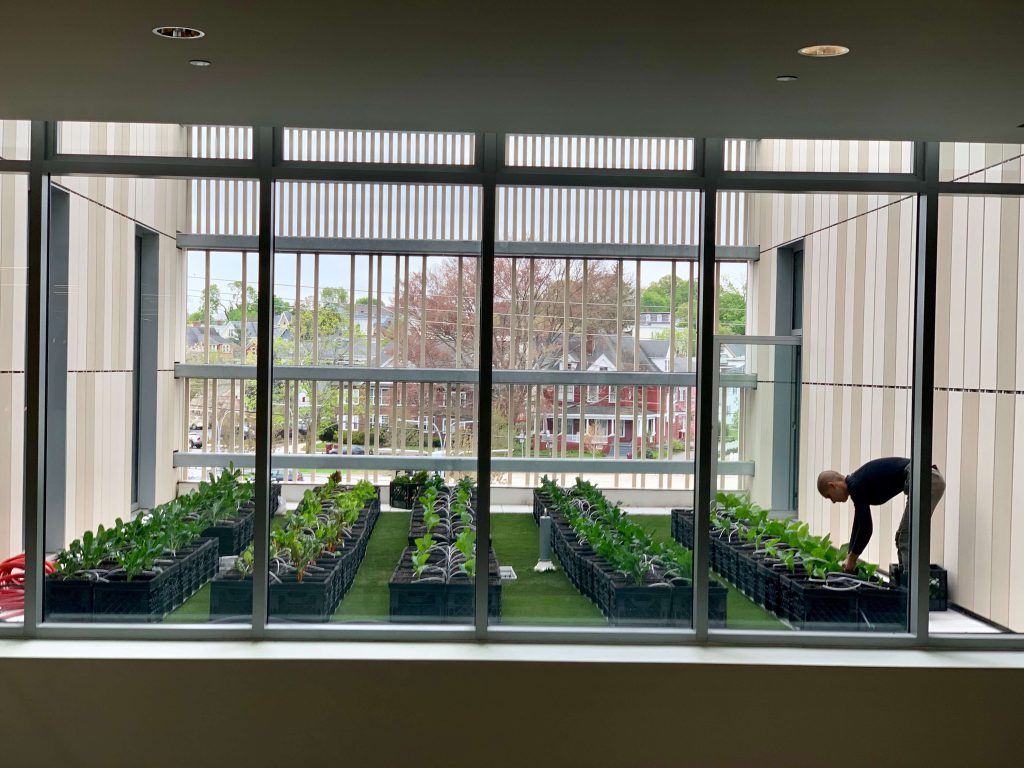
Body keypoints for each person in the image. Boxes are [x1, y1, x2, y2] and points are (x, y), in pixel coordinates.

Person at [816, 457, 945, 574]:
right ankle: (907, 583)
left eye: (829, 496)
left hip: (927, 479)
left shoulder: (856, 485)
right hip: (923, 478)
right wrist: (850, 555)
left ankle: (912, 591)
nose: (833, 501)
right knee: (902, 536)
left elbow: (866, 528)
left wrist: (853, 558)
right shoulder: (856, 484)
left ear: (833, 486)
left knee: (906, 537)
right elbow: (859, 524)